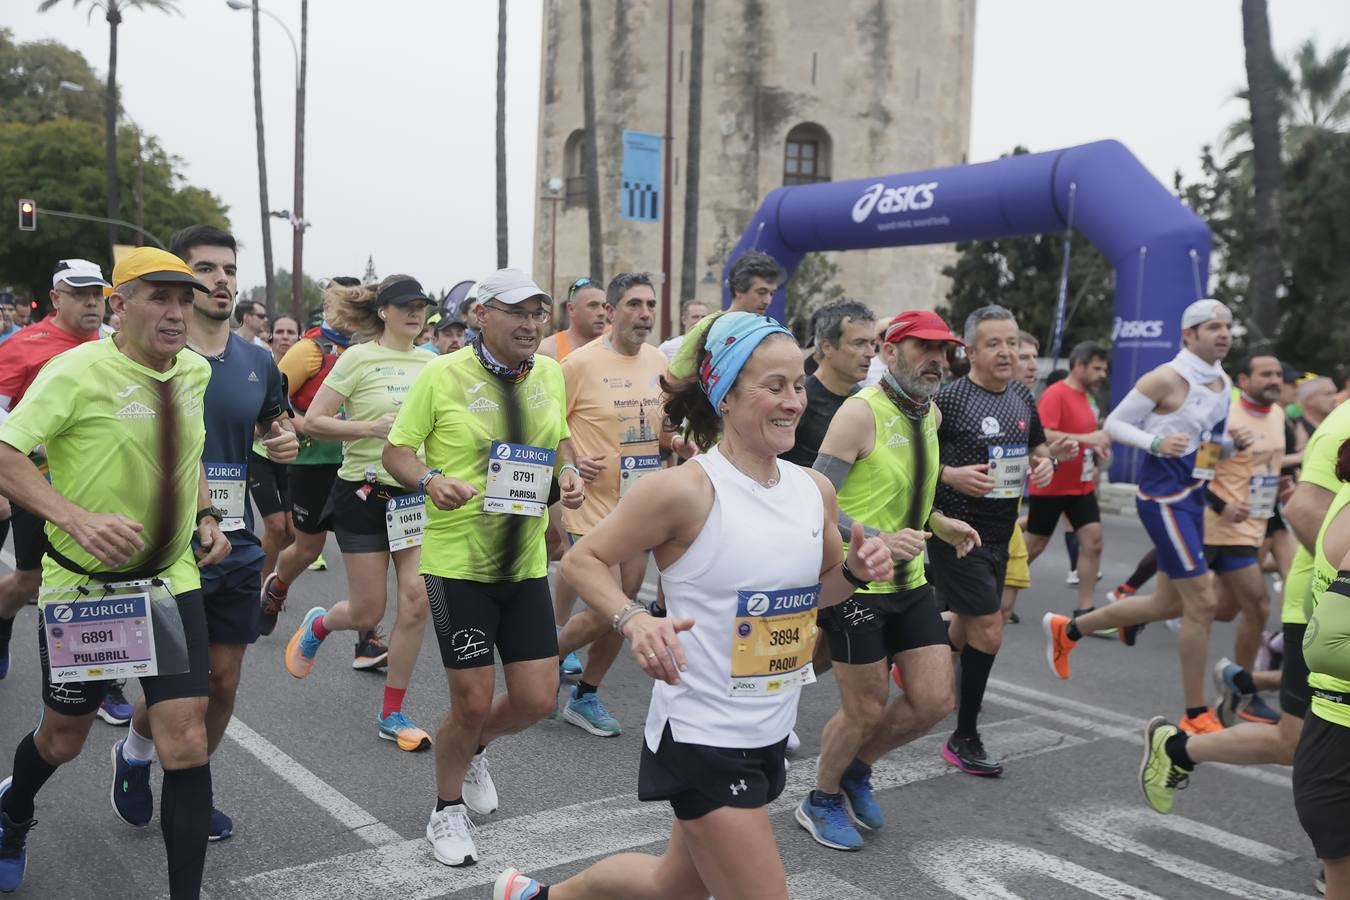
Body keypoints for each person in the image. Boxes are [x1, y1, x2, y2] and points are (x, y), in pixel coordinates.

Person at [490, 310, 893, 900]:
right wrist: (632, 621)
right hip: (703, 736)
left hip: (767, 732)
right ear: (725, 396)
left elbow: (816, 594)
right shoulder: (685, 489)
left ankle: (541, 896)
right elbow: (583, 561)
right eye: (773, 386)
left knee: (669, 887)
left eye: (798, 385)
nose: (792, 401)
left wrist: (856, 573)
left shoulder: (815, 491)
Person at [0, 246, 229, 898]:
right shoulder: (75, 371)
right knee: (61, 740)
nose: (177, 312)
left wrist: (207, 515)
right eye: (160, 297)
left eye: (185, 299)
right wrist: (73, 517)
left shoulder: (193, 372)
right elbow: (5, 453)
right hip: (86, 591)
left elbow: (190, 454)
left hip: (167, 582)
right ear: (119, 305)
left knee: (185, 738)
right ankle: (13, 816)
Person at [381, 268, 585, 867]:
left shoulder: (548, 371)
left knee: (537, 698)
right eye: (516, 312)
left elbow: (558, 440)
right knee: (470, 701)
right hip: (457, 566)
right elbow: (397, 452)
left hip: (522, 565)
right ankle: (445, 812)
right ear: (480, 316)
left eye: (538, 312)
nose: (530, 324)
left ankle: (474, 749)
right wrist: (430, 480)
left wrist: (567, 475)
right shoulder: (441, 375)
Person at [111, 225, 297, 843]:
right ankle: (147, 758)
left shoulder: (258, 361)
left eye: (227, 269)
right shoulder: (152, 354)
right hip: (162, 548)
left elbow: (275, 426)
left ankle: (181, 776)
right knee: (175, 692)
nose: (219, 280)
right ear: (179, 283)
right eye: (204, 270)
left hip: (234, 543)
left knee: (222, 683)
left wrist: (284, 442)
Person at [796, 309, 977, 852]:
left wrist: (941, 524)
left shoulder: (932, 416)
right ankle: (821, 798)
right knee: (865, 707)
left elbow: (911, 503)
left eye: (943, 351)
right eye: (924, 348)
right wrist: (873, 537)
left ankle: (857, 769)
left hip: (911, 581)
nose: (936, 360)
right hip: (857, 583)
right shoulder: (860, 413)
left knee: (934, 700)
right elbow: (816, 504)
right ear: (889, 351)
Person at [1044, 299, 1254, 735]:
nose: (1224, 333)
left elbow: (1206, 443)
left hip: (1195, 495)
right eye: (1212, 326)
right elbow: (1115, 424)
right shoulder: (1165, 377)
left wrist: (1234, 444)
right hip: (1163, 499)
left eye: (1228, 326)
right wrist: (1155, 445)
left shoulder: (1222, 381)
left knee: (1166, 604)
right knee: (1202, 601)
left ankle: (1070, 630)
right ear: (1188, 335)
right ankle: (1196, 714)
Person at [281, 275, 437, 751]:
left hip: (412, 495)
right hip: (363, 493)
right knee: (369, 610)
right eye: (404, 306)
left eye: (421, 306)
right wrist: (370, 426)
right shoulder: (358, 357)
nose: (415, 313)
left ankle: (393, 713)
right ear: (384, 311)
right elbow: (314, 422)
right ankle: (321, 624)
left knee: (416, 600)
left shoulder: (433, 364)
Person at [930, 305, 1073, 775]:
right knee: (990, 628)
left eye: (1012, 343)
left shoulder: (1020, 397)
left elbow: (1035, 446)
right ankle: (964, 735)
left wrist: (1045, 461)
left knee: (968, 628)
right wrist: (950, 473)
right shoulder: (949, 401)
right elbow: (913, 460)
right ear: (969, 351)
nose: (1007, 352)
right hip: (958, 531)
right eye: (994, 344)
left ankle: (920, 660)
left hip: (1001, 529)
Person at [0, 259, 125, 725]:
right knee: (30, 583)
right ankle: (3, 622)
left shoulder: (116, 343)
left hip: (105, 486)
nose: (92, 302)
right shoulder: (25, 346)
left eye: (97, 293)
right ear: (56, 299)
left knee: (109, 582)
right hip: (41, 488)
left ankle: (104, 681)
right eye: (80, 293)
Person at [551, 273, 671, 738]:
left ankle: (585, 696)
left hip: (641, 507)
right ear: (612, 311)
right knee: (608, 610)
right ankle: (548, 661)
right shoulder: (578, 364)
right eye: (634, 305)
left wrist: (678, 441)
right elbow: (549, 426)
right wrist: (574, 460)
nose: (644, 314)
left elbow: (661, 431)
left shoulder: (659, 360)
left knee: (622, 613)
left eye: (650, 305)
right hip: (591, 507)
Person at [259, 280, 386, 668]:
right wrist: (302, 424)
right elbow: (272, 398)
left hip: (362, 466)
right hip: (315, 463)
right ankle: (277, 586)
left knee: (367, 550)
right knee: (308, 548)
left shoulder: (376, 351)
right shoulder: (309, 350)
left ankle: (368, 640)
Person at [1193, 354, 1287, 725]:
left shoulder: (1278, 415)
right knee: (1246, 607)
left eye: (1278, 373)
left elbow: (1265, 466)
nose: (1274, 379)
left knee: (1245, 608)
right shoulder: (1227, 416)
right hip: (1210, 524)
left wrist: (1282, 484)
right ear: (1244, 380)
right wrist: (1221, 505)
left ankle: (1240, 691)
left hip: (1249, 528)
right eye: (1266, 373)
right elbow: (1198, 471)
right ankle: (1234, 695)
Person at [1024, 342, 1113, 619]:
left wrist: (1095, 450)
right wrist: (1088, 439)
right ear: (1078, 366)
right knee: (1034, 546)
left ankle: (1085, 609)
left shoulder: (1089, 397)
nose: (1102, 375)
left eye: (1104, 369)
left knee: (1093, 541)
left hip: (1081, 485)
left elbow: (1083, 432)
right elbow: (1043, 433)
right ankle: (993, 593)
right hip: (1051, 483)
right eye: (1096, 369)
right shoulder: (1056, 393)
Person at [780, 299, 875, 468]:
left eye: (872, 343)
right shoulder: (798, 402)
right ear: (827, 347)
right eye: (859, 343)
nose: (871, 353)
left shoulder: (864, 401)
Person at [999, 331, 1042, 623]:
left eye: (1034, 358)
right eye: (1024, 357)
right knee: (978, 618)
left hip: (1008, 520)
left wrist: (1052, 458)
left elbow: (1041, 449)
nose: (1032, 366)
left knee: (1001, 611)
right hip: (974, 525)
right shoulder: (963, 399)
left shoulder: (1025, 399)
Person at [538, 276, 607, 362]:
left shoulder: (614, 350)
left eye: (604, 306)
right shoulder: (546, 351)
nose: (602, 312)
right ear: (571, 309)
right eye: (593, 305)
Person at [725, 251, 783, 316]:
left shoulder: (766, 325)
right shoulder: (714, 324)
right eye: (761, 292)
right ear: (738, 290)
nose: (767, 301)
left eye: (772, 294)